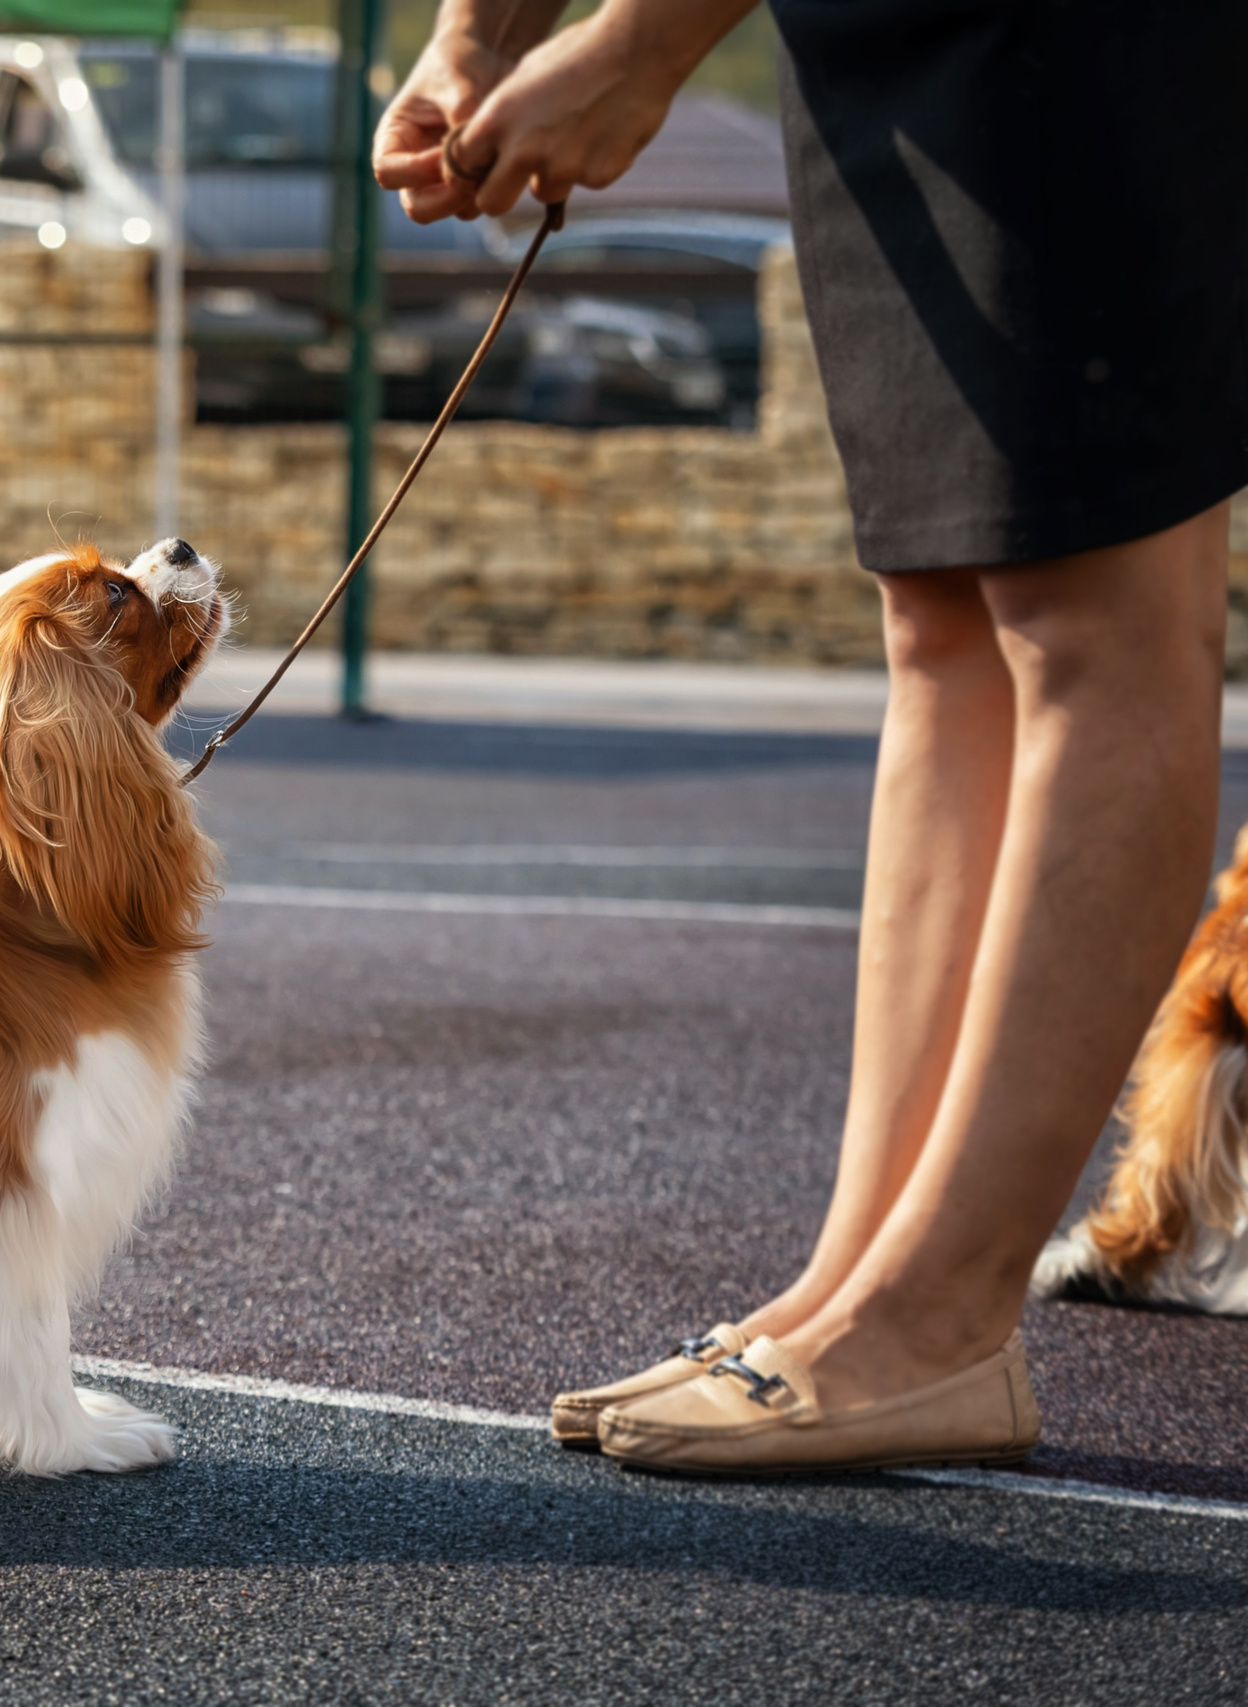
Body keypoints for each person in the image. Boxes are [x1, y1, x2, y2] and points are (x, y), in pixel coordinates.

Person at [378, 0, 1246, 1473]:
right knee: (945, 624)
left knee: (1090, 620)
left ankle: (942, 1309)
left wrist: (644, 43)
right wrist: (484, 30)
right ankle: (855, 1273)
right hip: (875, 38)